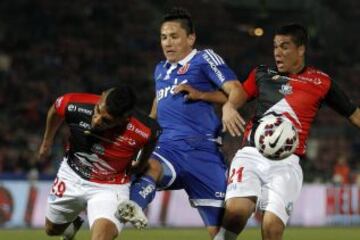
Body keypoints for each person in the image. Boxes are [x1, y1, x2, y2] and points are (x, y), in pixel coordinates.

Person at [214, 23, 360, 240]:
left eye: (284, 47)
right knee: (237, 212)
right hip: (251, 155)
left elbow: (354, 114)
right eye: (275, 47)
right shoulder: (262, 74)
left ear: (300, 50)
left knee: (272, 228)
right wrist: (228, 107)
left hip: (287, 163)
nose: (277, 53)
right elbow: (239, 95)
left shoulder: (321, 82)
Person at [116, 7, 246, 238]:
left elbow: (236, 91)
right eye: (164, 37)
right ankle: (134, 205)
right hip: (169, 147)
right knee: (151, 165)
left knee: (221, 235)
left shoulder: (204, 58)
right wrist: (143, 132)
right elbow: (159, 102)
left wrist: (219, 102)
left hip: (203, 153)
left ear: (191, 38)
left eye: (174, 36)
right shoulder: (160, 70)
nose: (168, 43)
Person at [38, 86, 160, 240]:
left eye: (106, 120)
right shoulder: (75, 104)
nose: (96, 120)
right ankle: (73, 223)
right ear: (101, 97)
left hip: (110, 187)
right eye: (97, 110)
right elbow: (56, 109)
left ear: (125, 119)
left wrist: (141, 164)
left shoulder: (143, 129)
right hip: (71, 175)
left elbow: (152, 137)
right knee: (52, 230)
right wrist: (47, 141)